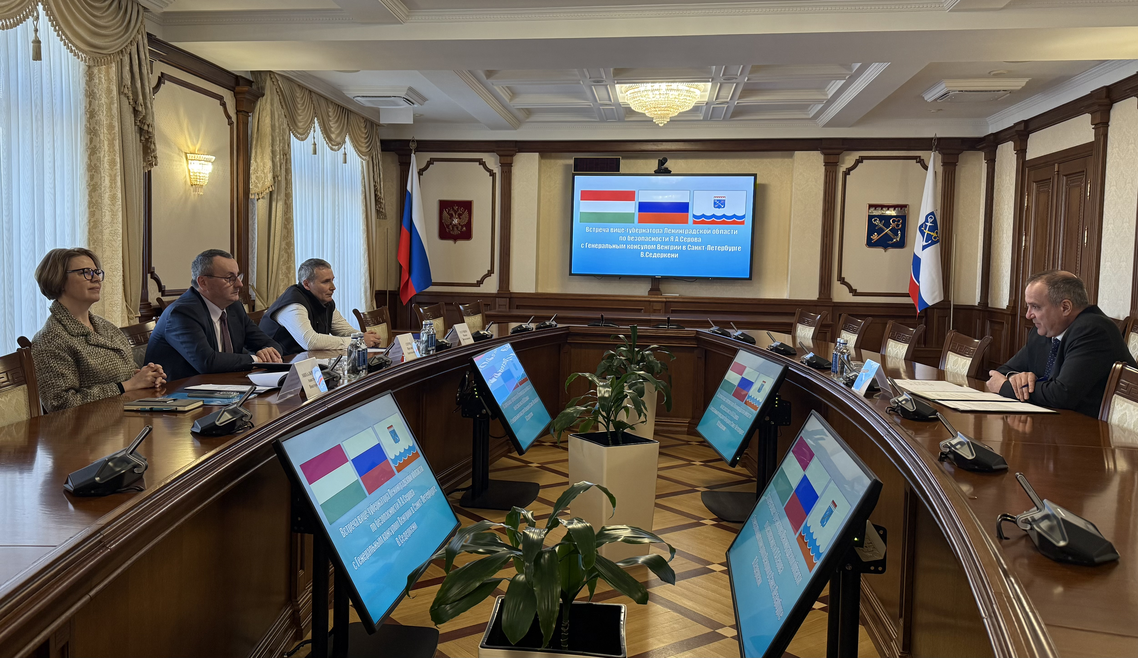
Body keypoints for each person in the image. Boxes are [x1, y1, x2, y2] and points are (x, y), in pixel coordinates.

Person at [29, 248, 166, 412]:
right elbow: (61, 404)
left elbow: (128, 374)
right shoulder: (50, 339)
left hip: (129, 414)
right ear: (59, 280)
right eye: (86, 273)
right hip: (92, 426)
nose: (96, 279)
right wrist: (126, 386)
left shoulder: (107, 327)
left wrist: (147, 376)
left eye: (97, 272)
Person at [986, 270, 1135, 416]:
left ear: (1065, 307)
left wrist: (1006, 387)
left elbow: (1062, 394)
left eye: (1035, 307)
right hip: (1055, 422)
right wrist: (1015, 378)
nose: (1028, 315)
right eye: (1028, 306)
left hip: (1095, 428)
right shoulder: (1042, 332)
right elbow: (1002, 371)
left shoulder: (1093, 330)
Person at [145, 249, 283, 382]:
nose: (239, 284)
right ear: (203, 282)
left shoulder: (234, 308)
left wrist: (269, 353)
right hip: (178, 392)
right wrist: (257, 360)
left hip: (224, 386)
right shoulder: (182, 313)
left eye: (238, 276)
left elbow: (271, 344)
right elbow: (207, 362)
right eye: (230, 278)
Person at [259, 258, 383, 354]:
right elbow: (311, 342)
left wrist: (365, 337)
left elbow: (343, 330)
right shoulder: (293, 304)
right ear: (307, 284)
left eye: (332, 280)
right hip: (273, 366)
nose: (333, 287)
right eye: (326, 282)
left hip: (301, 362)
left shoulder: (325, 301)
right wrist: (358, 342)